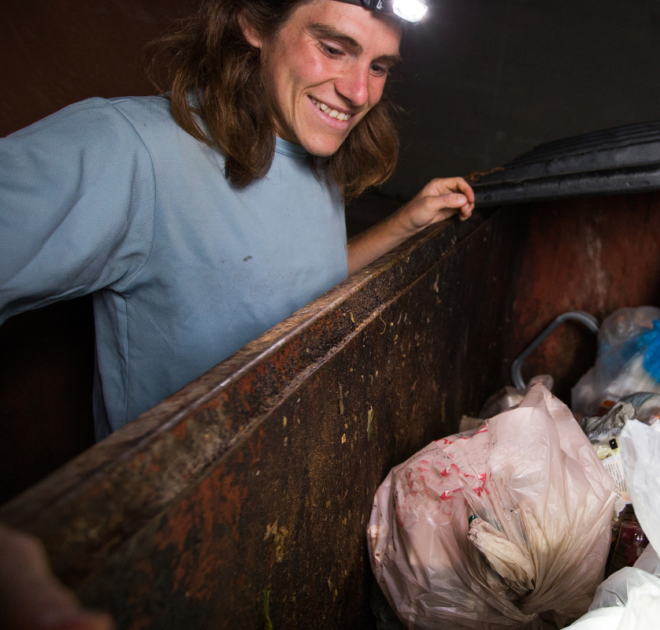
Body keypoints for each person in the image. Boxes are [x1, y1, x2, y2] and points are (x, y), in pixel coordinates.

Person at [0, 0, 475, 442]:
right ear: (252, 23)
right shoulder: (128, 150)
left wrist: (404, 224)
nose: (357, 92)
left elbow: (290, 287)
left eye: (378, 67)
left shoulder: (315, 151)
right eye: (332, 49)